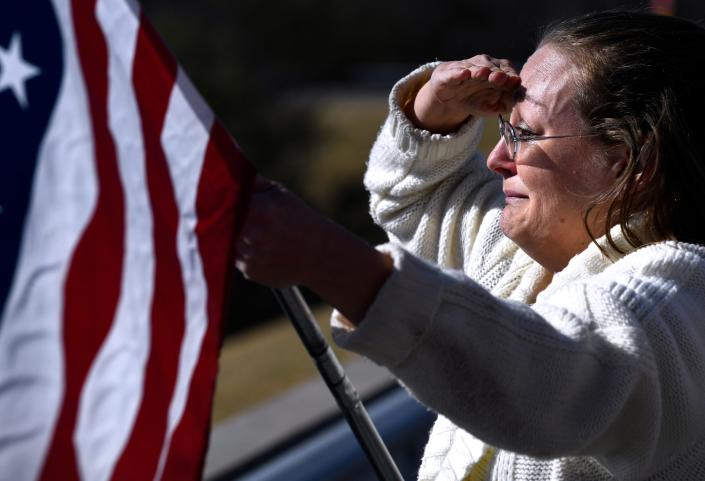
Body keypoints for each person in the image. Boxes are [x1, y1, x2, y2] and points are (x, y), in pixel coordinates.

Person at [235, 10, 705, 480]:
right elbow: (422, 199)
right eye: (504, 128)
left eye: (524, 133)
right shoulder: (525, 254)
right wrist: (432, 117)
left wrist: (326, 260)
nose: (498, 158)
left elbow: (550, 377)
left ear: (627, 162)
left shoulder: (683, 306)